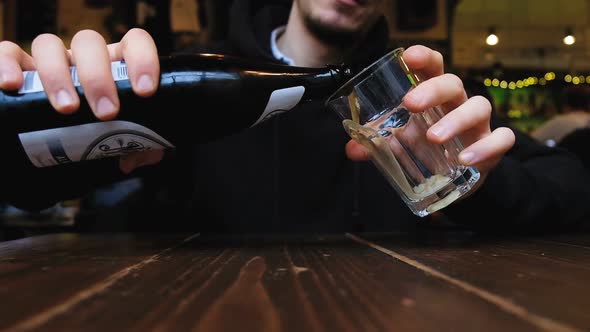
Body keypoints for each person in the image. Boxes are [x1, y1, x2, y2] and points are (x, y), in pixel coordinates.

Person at [0, 0, 589, 234]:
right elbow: (29, 185)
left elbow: (574, 187)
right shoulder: (190, 83)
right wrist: (58, 104)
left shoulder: (430, 88)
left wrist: (481, 179)